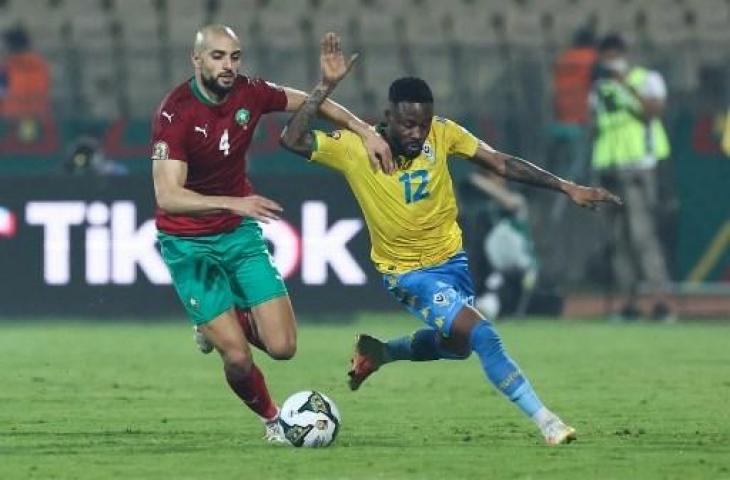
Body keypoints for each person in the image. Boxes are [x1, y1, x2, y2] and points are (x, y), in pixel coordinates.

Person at [280, 33, 621, 445]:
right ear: (387, 116)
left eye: (423, 123)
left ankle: (381, 352)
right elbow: (292, 140)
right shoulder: (355, 146)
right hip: (407, 272)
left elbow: (501, 163)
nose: (417, 132)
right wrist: (326, 86)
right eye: (408, 123)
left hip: (452, 261)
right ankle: (547, 421)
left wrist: (567, 186)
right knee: (483, 336)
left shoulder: (442, 134)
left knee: (457, 346)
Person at [150, 25, 393, 443]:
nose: (229, 65)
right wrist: (235, 202)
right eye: (218, 56)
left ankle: (219, 322)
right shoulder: (176, 112)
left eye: (235, 56)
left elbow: (309, 104)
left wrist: (363, 126)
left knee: (282, 347)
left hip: (238, 236)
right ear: (197, 61)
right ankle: (272, 421)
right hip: (188, 243)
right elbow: (168, 195)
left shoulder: (250, 92)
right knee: (239, 358)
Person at [590, 33, 674, 321]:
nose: (609, 60)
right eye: (606, 55)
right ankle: (628, 304)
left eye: (614, 54)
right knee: (618, 240)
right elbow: (597, 125)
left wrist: (625, 84)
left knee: (643, 236)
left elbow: (652, 113)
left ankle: (661, 302)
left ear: (625, 53)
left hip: (639, 166)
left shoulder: (647, 79)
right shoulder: (600, 87)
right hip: (609, 168)